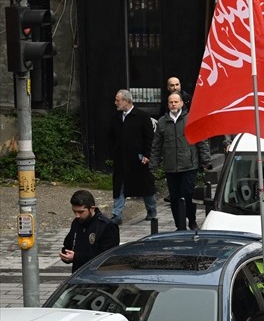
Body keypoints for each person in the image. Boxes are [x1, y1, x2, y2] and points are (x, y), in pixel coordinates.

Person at [150, 91, 211, 231]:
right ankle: (179, 224)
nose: (173, 104)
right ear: (168, 104)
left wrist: (206, 160)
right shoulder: (162, 122)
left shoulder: (190, 119)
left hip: (189, 164)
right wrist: (153, 165)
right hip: (171, 166)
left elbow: (201, 141)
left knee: (188, 194)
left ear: (182, 103)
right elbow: (156, 145)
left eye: (176, 102)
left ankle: (192, 220)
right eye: (171, 102)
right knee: (175, 196)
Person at [109, 88, 157, 226]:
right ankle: (116, 214)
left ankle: (152, 210)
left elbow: (149, 138)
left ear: (126, 101)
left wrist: (147, 155)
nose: (115, 103)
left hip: (138, 159)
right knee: (120, 187)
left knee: (145, 187)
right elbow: (110, 137)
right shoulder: (116, 117)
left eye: (118, 100)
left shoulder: (142, 116)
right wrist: (113, 152)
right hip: (120, 159)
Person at [60, 189, 120, 272]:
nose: (77, 215)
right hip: (79, 276)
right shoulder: (76, 223)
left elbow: (106, 257)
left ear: (92, 208)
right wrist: (66, 256)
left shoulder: (106, 226)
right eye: (74, 212)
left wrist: (76, 257)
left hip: (99, 279)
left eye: (81, 212)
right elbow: (68, 245)